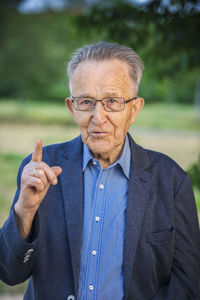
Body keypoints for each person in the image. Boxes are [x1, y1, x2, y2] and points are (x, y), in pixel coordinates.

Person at [0, 42, 200, 300]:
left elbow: (188, 285)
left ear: (134, 109)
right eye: (86, 102)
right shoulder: (41, 169)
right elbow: (9, 272)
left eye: (112, 101)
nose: (98, 117)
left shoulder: (171, 180)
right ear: (72, 108)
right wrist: (24, 210)